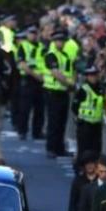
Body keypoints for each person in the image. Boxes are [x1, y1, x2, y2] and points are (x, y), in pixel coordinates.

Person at [43, 30, 75, 158]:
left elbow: (70, 73)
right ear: (54, 42)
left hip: (63, 92)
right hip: (53, 92)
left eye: (62, 41)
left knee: (62, 121)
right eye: (58, 41)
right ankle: (51, 148)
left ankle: (59, 148)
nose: (60, 43)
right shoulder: (51, 55)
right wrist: (70, 84)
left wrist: (70, 84)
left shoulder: (66, 56)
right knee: (53, 121)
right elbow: (56, 73)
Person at [13, 25, 45, 140]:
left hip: (41, 82)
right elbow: (22, 64)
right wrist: (37, 76)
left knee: (39, 109)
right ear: (27, 34)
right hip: (28, 80)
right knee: (25, 108)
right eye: (31, 33)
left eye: (35, 33)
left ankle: (37, 132)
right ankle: (22, 131)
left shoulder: (42, 47)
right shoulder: (23, 46)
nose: (33, 35)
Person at [71, 66, 106, 159]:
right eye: (91, 75)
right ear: (87, 77)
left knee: (96, 151)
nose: (93, 77)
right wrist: (80, 118)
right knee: (83, 151)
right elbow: (74, 107)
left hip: (97, 125)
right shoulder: (83, 90)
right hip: (85, 125)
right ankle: (80, 171)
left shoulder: (100, 89)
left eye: (95, 75)